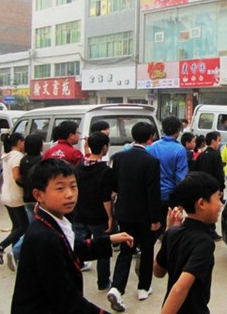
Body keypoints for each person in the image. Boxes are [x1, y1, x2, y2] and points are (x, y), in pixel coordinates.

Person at [10, 158, 135, 313]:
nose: (70, 194)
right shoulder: (45, 237)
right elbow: (69, 301)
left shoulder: (53, 222)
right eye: (60, 188)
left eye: (73, 186)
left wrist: (109, 240)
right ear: (39, 195)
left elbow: (70, 250)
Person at [107, 123, 162, 311]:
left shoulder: (119, 158)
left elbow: (115, 184)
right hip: (144, 215)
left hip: (124, 212)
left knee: (126, 250)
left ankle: (117, 287)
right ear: (150, 137)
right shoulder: (151, 161)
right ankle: (143, 288)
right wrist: (155, 219)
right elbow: (152, 193)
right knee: (147, 249)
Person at [153, 172, 223, 314]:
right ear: (201, 203)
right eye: (218, 198)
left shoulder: (172, 232)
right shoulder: (204, 242)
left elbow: (158, 271)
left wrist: (168, 231)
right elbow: (180, 289)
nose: (221, 204)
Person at [72, 132, 115, 293]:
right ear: (104, 147)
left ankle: (73, 278)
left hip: (79, 213)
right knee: (102, 248)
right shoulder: (105, 170)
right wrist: (110, 216)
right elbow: (106, 197)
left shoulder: (79, 167)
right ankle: (103, 281)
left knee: (79, 248)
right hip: (98, 216)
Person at [7, 133, 44, 272]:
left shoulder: (24, 160)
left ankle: (28, 255)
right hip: (38, 199)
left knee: (31, 227)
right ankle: (15, 251)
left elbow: (20, 178)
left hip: (27, 197)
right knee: (36, 229)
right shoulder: (41, 160)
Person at [0, 133, 27, 265]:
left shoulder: (7, 156)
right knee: (24, 226)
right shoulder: (17, 157)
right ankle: (1, 246)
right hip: (15, 195)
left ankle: (14, 254)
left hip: (6, 194)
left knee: (16, 226)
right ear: (19, 142)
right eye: (23, 141)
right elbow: (17, 176)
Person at [147, 116, 188, 231]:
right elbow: (181, 178)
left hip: (154, 195)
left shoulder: (152, 147)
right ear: (178, 130)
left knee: (156, 228)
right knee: (173, 228)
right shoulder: (179, 149)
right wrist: (182, 200)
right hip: (171, 195)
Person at [193, 131, 225, 241]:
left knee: (203, 210)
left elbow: (194, 170)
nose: (219, 143)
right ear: (213, 141)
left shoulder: (202, 155)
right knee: (212, 210)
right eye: (218, 140)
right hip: (213, 188)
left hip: (201, 186)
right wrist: (221, 188)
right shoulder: (215, 155)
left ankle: (203, 230)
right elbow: (219, 174)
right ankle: (211, 232)